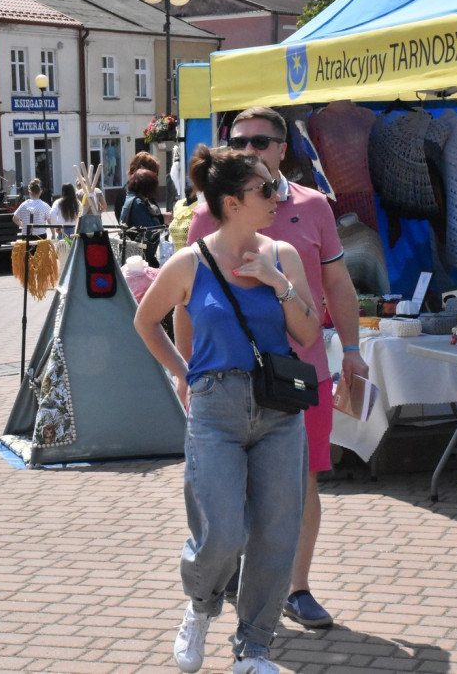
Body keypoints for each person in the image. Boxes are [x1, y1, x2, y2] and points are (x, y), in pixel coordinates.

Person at [134, 144, 320, 674]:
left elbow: (307, 332)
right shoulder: (189, 262)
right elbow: (145, 321)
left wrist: (277, 282)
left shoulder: (283, 254)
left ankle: (254, 647)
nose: (276, 195)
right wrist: (183, 372)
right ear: (234, 202)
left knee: (275, 531)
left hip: (278, 410)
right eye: (265, 188)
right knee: (222, 531)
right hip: (215, 408)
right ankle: (200, 606)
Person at [182, 106, 369, 629]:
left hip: (298, 372)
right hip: (231, 375)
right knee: (234, 483)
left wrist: (351, 348)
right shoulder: (210, 211)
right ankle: (239, 575)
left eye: (261, 142)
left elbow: (338, 285)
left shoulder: (313, 207)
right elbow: (187, 299)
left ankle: (297, 587)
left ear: (283, 149)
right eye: (239, 142)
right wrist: (188, 371)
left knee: (301, 482)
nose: (249, 151)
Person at [120, 169, 164, 266]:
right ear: (147, 187)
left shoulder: (129, 197)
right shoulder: (137, 203)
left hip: (130, 254)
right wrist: (158, 218)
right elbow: (151, 229)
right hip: (139, 258)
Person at [114, 151, 160, 219]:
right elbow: (141, 221)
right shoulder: (130, 196)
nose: (154, 179)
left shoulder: (142, 192)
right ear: (141, 171)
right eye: (152, 175)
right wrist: (162, 219)